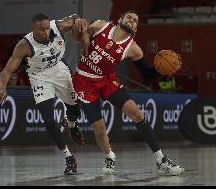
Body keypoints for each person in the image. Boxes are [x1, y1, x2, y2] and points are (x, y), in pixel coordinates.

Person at [71, 10, 185, 175]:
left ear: (136, 28)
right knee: (99, 128)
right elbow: (77, 38)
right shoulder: (100, 26)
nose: (132, 21)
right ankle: (109, 156)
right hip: (84, 79)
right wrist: (78, 29)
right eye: (129, 17)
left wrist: (162, 70)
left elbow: (146, 74)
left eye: (135, 21)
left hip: (107, 80)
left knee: (137, 113)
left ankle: (161, 160)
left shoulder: (133, 48)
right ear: (119, 20)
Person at [0, 13, 87, 174]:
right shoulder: (24, 45)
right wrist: (2, 89)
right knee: (49, 120)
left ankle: (71, 125)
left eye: (47, 28)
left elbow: (76, 18)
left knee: (75, 108)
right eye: (41, 30)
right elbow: (7, 70)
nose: (46, 32)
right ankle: (68, 156)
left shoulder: (58, 26)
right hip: (39, 77)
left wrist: (81, 22)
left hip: (59, 70)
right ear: (33, 29)